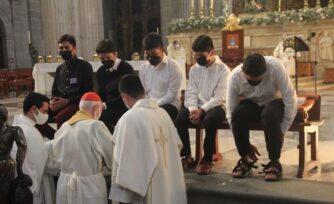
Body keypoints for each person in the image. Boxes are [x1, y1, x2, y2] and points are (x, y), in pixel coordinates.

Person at [109, 74, 187, 204]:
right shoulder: (163, 114)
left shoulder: (129, 118)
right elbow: (177, 145)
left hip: (148, 189)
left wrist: (122, 197)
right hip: (169, 181)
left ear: (124, 97)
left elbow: (124, 161)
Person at [226, 53, 297, 182]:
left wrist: (282, 131)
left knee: (268, 115)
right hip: (251, 103)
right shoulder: (234, 77)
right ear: (243, 71)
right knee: (237, 115)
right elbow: (230, 112)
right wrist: (245, 145)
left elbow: (290, 99)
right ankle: (245, 158)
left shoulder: (276, 67)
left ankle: (275, 162)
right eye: (250, 81)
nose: (255, 83)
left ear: (266, 71)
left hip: (274, 101)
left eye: (259, 80)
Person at [175, 35, 230, 175]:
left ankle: (207, 159)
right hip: (198, 105)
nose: (197, 58)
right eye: (196, 55)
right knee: (180, 117)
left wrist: (202, 111)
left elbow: (220, 97)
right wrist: (193, 109)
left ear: (211, 52)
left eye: (201, 55)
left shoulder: (223, 70)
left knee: (210, 120)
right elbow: (191, 92)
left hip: (216, 106)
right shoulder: (194, 69)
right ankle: (186, 155)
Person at [48, 92, 113, 204]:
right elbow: (112, 156)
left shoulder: (64, 127)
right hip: (90, 187)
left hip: (65, 184)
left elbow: (55, 157)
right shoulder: (96, 126)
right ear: (97, 108)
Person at [37, 34, 93, 139]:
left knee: (61, 117)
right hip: (61, 103)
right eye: (61, 48)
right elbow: (55, 90)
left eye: (66, 48)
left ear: (74, 49)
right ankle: (55, 138)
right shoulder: (60, 69)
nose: (63, 50)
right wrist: (53, 101)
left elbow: (87, 93)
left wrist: (67, 101)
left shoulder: (85, 66)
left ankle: (61, 142)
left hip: (78, 103)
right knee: (37, 114)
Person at [11, 92, 56, 204]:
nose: (46, 115)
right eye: (44, 111)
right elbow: (43, 162)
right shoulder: (29, 132)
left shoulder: (18, 125)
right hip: (30, 187)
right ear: (34, 109)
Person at [139, 32, 182, 120]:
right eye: (148, 55)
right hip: (150, 105)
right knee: (134, 116)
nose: (151, 58)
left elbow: (171, 95)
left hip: (170, 104)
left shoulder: (174, 67)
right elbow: (144, 92)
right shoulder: (143, 68)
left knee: (154, 116)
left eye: (154, 54)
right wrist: (147, 104)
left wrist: (155, 104)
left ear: (162, 50)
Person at [95, 39, 134, 132]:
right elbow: (101, 92)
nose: (105, 61)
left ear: (115, 54)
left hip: (124, 104)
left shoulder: (126, 68)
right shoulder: (101, 71)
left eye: (108, 58)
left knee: (101, 117)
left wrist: (105, 105)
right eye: (102, 59)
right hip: (107, 105)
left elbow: (127, 94)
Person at [0, 104, 31, 204]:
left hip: (6, 164)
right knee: (6, 192)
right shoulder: (14, 130)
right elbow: (23, 146)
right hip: (7, 164)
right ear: (6, 116)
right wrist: (19, 169)